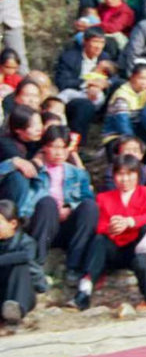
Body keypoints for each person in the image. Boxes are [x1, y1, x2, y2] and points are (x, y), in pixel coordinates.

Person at [0, 125, 97, 282]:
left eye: (63, 148)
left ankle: (74, 265)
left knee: (89, 206)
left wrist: (70, 209)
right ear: (44, 147)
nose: (59, 153)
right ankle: (38, 264)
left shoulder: (78, 174)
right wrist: (14, 162)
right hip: (41, 224)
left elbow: (87, 198)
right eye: (54, 147)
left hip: (65, 226)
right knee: (48, 203)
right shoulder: (33, 168)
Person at [71, 154, 146, 310]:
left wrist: (130, 222)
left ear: (138, 175)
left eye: (130, 174)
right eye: (120, 174)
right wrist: (112, 228)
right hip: (114, 248)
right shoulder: (104, 198)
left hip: (137, 248)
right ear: (114, 176)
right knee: (99, 240)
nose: (125, 179)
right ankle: (84, 290)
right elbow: (99, 226)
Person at [0, 199, 46, 327]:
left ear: (12, 223)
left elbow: (25, 257)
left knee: (20, 265)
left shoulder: (26, 242)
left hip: (22, 293)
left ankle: (14, 312)